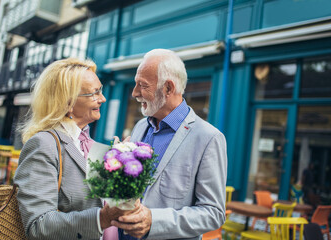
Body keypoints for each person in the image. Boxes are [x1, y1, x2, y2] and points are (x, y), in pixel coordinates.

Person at [14, 58, 139, 239]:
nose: (102, 99)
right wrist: (101, 219)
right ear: (67, 102)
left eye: (100, 90)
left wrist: (121, 170)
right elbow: (38, 226)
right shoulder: (43, 144)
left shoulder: (89, 144)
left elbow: (100, 201)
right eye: (94, 93)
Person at [112, 49, 228, 239]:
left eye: (142, 85)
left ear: (168, 88)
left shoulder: (209, 138)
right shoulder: (141, 126)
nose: (134, 93)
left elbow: (213, 213)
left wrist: (153, 221)